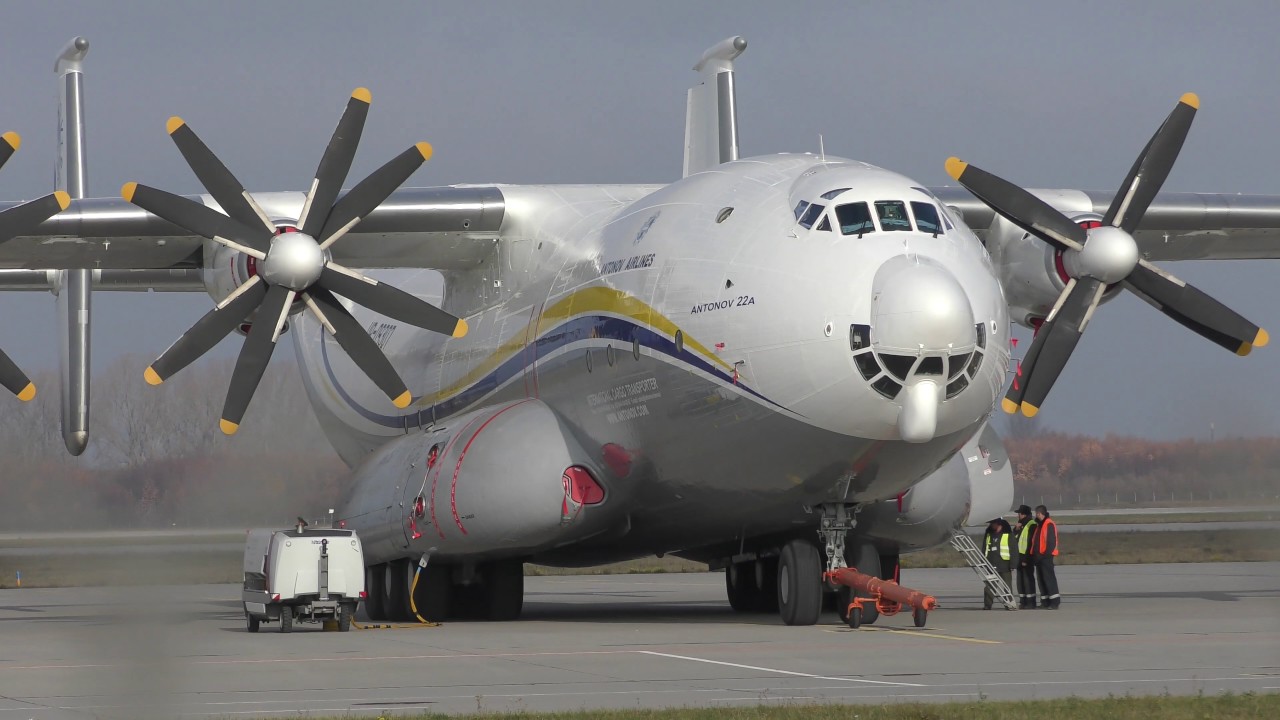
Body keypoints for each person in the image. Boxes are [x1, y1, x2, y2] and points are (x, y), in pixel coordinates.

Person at [982, 517, 1015, 610]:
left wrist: (1013, 564)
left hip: (1005, 564)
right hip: (991, 563)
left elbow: (1013, 549)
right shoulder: (988, 534)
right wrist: (983, 560)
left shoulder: (1008, 534)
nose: (991, 525)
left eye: (993, 523)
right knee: (989, 586)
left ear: (999, 524)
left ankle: (1009, 604)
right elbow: (984, 547)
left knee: (1007, 586)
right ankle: (987, 604)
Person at [1033, 505, 1061, 609]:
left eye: (1037, 513)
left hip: (1046, 557)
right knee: (1041, 580)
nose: (1036, 515)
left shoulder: (1048, 524)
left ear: (1040, 513)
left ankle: (1054, 602)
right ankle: (1045, 601)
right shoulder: (1040, 525)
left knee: (1049, 579)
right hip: (1039, 558)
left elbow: (1050, 542)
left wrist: (1044, 555)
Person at [1012, 504, 1038, 609]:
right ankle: (1023, 601)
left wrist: (1026, 559)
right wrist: (1015, 529)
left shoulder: (1031, 525)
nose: (1018, 515)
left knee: (1028, 580)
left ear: (1023, 514)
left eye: (1019, 513)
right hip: (1019, 557)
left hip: (1026, 558)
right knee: (1020, 581)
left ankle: (1031, 602)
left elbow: (1030, 543)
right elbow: (1015, 540)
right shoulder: (1021, 525)